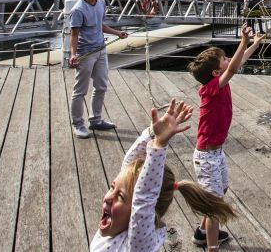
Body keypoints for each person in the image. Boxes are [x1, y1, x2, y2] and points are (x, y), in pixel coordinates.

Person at [91, 98, 236, 252]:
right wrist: (152, 133)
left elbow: (144, 198)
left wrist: (159, 146)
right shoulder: (115, 227)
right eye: (112, 187)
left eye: (120, 196)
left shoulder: (137, 245)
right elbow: (128, 167)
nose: (107, 197)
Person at [187, 25, 265, 250]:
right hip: (206, 156)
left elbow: (235, 65)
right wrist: (242, 41)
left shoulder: (219, 81)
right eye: (224, 59)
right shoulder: (211, 88)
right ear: (216, 73)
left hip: (216, 153)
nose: (228, 60)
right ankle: (211, 247)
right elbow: (231, 69)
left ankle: (202, 233)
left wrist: (254, 44)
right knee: (215, 207)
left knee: (221, 191)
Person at [70, 0, 129, 139]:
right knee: (80, 91)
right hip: (86, 53)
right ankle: (78, 124)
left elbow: (100, 26)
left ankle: (95, 120)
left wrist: (118, 33)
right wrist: (73, 55)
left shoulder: (101, 2)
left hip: (101, 50)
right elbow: (74, 35)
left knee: (101, 86)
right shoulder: (78, 10)